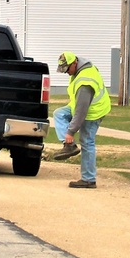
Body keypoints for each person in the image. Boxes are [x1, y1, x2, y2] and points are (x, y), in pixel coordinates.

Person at [52, 51, 111, 188]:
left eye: (67, 69)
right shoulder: (80, 69)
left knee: (87, 141)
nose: (66, 72)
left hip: (93, 111)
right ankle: (69, 146)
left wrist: (70, 132)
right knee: (59, 114)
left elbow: (81, 111)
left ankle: (89, 179)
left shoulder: (85, 81)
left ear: (74, 63)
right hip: (81, 106)